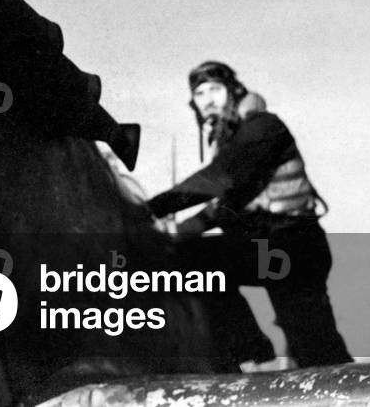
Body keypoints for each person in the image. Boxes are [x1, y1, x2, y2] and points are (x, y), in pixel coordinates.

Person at [147, 61, 352, 368]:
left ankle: (261, 358)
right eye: (200, 94)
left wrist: (149, 208)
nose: (208, 100)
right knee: (187, 261)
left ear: (234, 91)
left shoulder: (263, 128)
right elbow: (224, 206)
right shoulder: (232, 142)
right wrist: (178, 231)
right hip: (267, 246)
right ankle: (252, 357)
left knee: (317, 354)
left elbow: (219, 177)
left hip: (294, 245)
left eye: (215, 90)